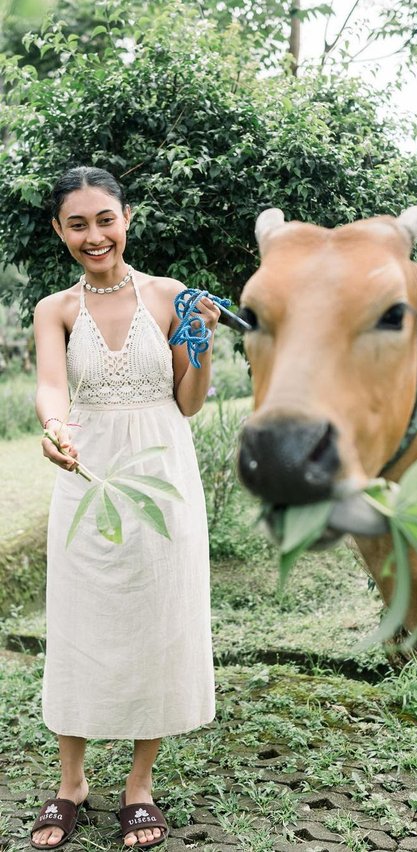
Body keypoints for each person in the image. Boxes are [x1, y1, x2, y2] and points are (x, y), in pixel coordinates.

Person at [31, 166, 219, 849]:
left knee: (157, 619)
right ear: (60, 231)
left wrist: (202, 343)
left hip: (162, 477)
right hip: (87, 474)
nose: (93, 235)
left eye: (104, 219)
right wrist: (56, 429)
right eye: (77, 224)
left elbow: (190, 401)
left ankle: (140, 786)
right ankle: (71, 782)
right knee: (80, 621)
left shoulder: (171, 297)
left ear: (127, 218)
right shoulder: (55, 309)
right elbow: (53, 388)